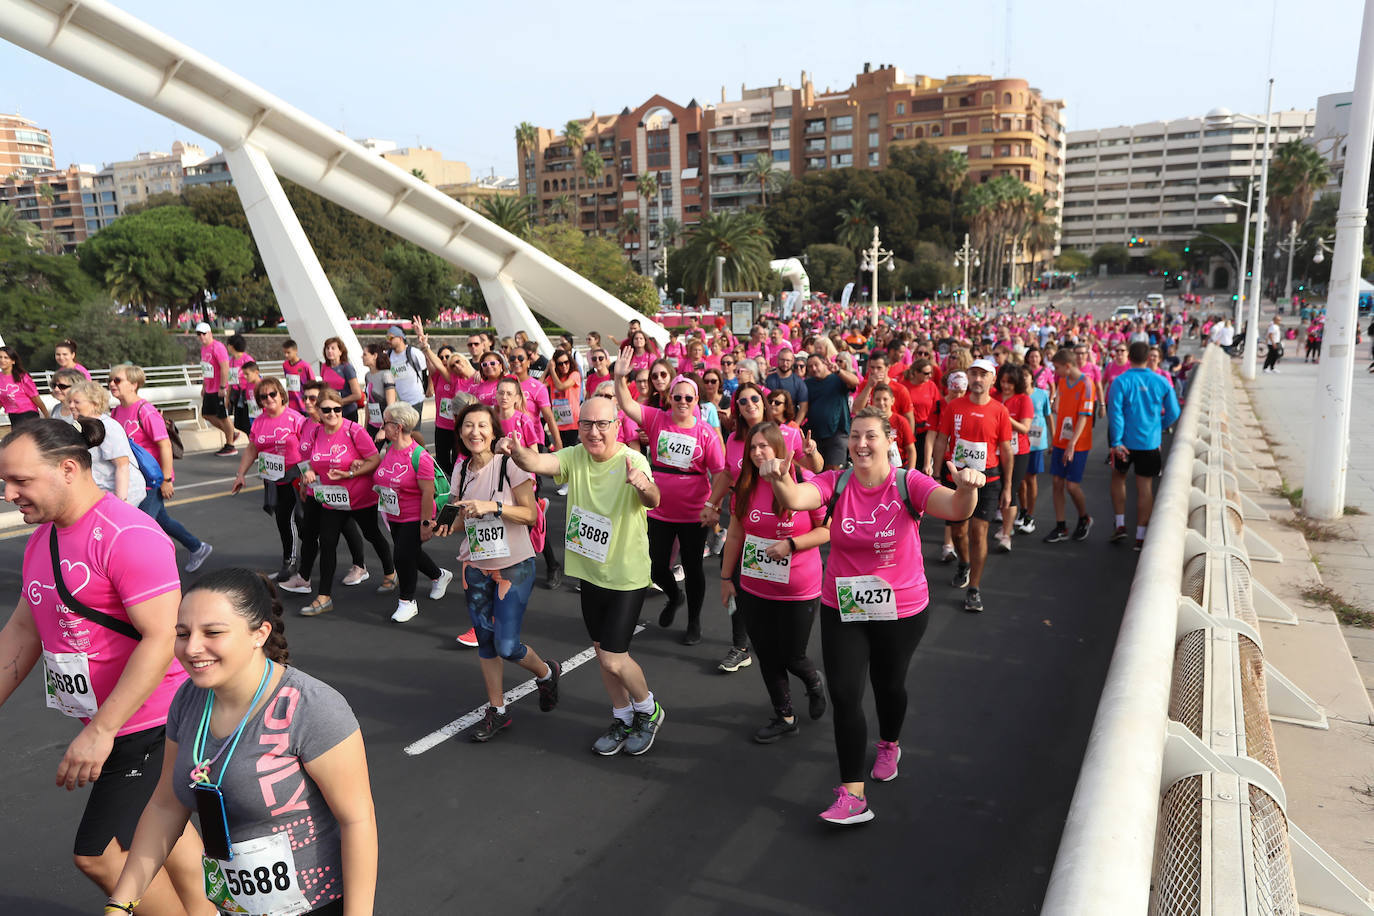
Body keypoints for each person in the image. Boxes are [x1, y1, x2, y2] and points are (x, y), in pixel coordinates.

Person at [0, 419, 211, 914]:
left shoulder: (128, 534)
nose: (9, 494)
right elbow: (23, 631)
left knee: (98, 855)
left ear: (68, 469)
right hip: (117, 722)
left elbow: (163, 637)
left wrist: (102, 730)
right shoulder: (43, 539)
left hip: (153, 721)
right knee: (162, 833)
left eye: (20, 481)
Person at [759, 407, 988, 825]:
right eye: (855, 436)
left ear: (889, 442)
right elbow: (794, 499)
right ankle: (853, 794)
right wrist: (778, 475)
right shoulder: (837, 480)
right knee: (846, 694)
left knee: (888, 686)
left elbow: (956, 509)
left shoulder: (908, 483)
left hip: (901, 608)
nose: (861, 444)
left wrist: (969, 488)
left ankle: (889, 742)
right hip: (844, 605)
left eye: (871, 436)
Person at [107, 568, 377, 915]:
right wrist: (122, 902)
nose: (192, 648)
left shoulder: (311, 707)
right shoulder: (188, 701)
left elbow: (357, 821)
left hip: (315, 905)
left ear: (259, 633)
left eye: (213, 632)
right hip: (237, 906)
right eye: (182, 633)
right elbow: (166, 806)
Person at [495, 394, 667, 757]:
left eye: (602, 424)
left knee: (613, 658)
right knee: (601, 650)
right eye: (586, 423)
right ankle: (622, 716)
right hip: (589, 572)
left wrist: (642, 483)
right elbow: (535, 460)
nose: (593, 431)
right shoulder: (574, 456)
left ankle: (648, 709)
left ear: (617, 427)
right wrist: (514, 447)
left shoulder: (632, 459)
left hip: (625, 575)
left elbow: (654, 499)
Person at [439, 402, 561, 740]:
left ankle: (545, 672)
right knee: (486, 641)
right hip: (475, 566)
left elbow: (531, 515)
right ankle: (497, 709)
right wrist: (444, 524)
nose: (474, 432)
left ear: (494, 431)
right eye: (467, 426)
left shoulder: (510, 465)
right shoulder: (461, 470)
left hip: (514, 566)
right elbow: (459, 515)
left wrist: (493, 506)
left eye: (481, 426)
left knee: (507, 645)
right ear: (460, 432)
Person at [719, 421, 829, 743]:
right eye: (752, 447)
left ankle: (813, 680)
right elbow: (736, 533)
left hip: (800, 587)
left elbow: (827, 530)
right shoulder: (746, 486)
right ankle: (785, 715)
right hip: (755, 585)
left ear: (780, 448)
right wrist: (726, 578)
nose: (756, 452)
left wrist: (792, 544)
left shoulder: (804, 481)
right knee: (766, 653)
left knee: (793, 654)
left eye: (763, 446)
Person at [614, 347, 726, 649]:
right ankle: (675, 596)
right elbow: (626, 404)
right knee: (656, 567)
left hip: (693, 515)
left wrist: (712, 505)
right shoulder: (657, 419)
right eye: (678, 397)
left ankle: (693, 621)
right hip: (659, 510)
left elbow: (721, 472)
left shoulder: (706, 433)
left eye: (689, 398)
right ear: (669, 399)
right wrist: (620, 378)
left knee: (692, 569)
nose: (683, 402)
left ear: (696, 402)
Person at [295, 389, 397, 616]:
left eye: (337, 409)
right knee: (328, 541)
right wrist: (308, 474)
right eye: (327, 410)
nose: (332, 413)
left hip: (360, 496)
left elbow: (374, 460)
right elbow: (309, 461)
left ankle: (390, 572)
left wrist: (350, 474)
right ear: (318, 412)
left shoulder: (354, 430)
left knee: (371, 534)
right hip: (332, 498)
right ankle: (323, 597)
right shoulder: (315, 434)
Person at [109, 364, 215, 573]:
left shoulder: (145, 410)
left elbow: (164, 444)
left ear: (134, 384)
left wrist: (167, 480)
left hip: (151, 480)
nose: (112, 384)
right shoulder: (116, 411)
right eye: (110, 381)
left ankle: (150, 571)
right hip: (132, 480)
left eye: (117, 380)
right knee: (161, 520)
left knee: (141, 528)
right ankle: (197, 547)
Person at [930, 359, 1013, 613]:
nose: (977, 379)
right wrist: (934, 473)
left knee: (979, 533)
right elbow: (942, 439)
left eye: (983, 375)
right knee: (958, 533)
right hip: (957, 476)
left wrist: (1008, 488)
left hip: (988, 478)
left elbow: (1007, 451)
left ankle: (974, 588)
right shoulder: (954, 406)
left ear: (992, 380)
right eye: (973, 374)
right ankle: (964, 563)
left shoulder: (1000, 411)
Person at [373, 403, 453, 622]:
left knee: (401, 556)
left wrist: (426, 524)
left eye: (385, 423)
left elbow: (428, 493)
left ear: (397, 427)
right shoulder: (389, 448)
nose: (382, 427)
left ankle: (407, 602)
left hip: (414, 516)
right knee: (411, 553)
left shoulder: (420, 457)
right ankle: (439, 575)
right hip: (393, 515)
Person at [232, 377, 311, 582]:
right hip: (273, 479)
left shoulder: (296, 419)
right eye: (263, 396)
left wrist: (308, 473)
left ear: (281, 394)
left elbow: (309, 447)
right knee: (284, 520)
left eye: (272, 394)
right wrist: (241, 473)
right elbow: (252, 449)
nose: (268, 399)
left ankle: (300, 556)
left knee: (297, 520)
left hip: (296, 476)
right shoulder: (259, 422)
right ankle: (292, 560)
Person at [1107, 341, 1182, 550]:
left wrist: (1116, 442)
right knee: (1145, 487)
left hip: (1124, 443)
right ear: (1149, 357)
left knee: (1118, 478)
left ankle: (1120, 524)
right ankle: (1141, 536)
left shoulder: (1120, 381)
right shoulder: (1161, 381)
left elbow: (1115, 414)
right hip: (1149, 443)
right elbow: (1174, 412)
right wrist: (1159, 427)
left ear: (1129, 357)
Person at [1044, 347, 1096, 544]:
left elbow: (1084, 417)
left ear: (1067, 366)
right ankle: (1061, 526)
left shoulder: (1087, 384)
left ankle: (1084, 517)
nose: (1055, 372)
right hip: (1060, 441)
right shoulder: (1063, 382)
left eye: (1057, 368)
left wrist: (1072, 444)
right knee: (1057, 483)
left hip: (1078, 443)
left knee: (1072, 486)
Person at [66, 380, 146, 508]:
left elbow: (122, 467)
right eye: (69, 401)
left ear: (94, 403)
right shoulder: (80, 425)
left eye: (76, 402)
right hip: (100, 494)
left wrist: (121, 503)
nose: (71, 405)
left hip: (122, 493)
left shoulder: (108, 427)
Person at [994, 363, 1033, 551]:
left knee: (1011, 490)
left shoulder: (1024, 400)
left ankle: (1006, 534)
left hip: (1018, 451)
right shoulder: (994, 397)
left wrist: (1004, 416)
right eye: (1003, 381)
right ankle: (1004, 525)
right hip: (995, 450)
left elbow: (1025, 428)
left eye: (1010, 382)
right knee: (999, 488)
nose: (1006, 386)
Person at [803, 353, 862, 470]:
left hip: (837, 434)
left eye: (816, 365)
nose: (813, 369)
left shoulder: (837, 379)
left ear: (824, 364)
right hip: (816, 434)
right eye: (810, 366)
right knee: (817, 471)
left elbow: (855, 382)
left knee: (834, 471)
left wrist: (838, 371)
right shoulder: (807, 384)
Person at [194, 323, 238, 457]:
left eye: (204, 333)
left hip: (218, 388)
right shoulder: (204, 349)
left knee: (223, 416)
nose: (201, 337)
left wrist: (223, 386)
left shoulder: (217, 347)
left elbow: (225, 367)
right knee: (206, 414)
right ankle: (231, 433)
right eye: (199, 334)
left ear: (210, 333)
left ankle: (230, 445)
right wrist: (203, 387)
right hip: (209, 388)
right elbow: (206, 369)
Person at [319, 336, 364, 424]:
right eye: (327, 348)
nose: (329, 351)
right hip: (330, 413)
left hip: (348, 412)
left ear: (340, 351)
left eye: (333, 348)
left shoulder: (347, 368)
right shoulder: (324, 367)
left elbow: (357, 394)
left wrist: (338, 402)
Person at [0, 345, 49, 425]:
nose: (2, 360)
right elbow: (2, 400)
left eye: (6, 358)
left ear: (13, 361)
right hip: (13, 415)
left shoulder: (22, 377)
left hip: (27, 414)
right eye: (0, 357)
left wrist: (46, 415)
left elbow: (36, 398)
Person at [385, 326, 428, 413]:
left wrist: (429, 388)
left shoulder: (413, 353)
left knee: (414, 427)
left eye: (390, 338)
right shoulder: (388, 355)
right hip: (398, 403)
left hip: (415, 400)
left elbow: (427, 370)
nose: (387, 341)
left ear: (400, 338)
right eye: (387, 338)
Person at [764, 347, 809, 426]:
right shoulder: (768, 379)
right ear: (777, 360)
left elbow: (803, 407)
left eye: (788, 360)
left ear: (793, 361)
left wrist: (795, 426)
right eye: (782, 360)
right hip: (769, 423)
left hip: (789, 423)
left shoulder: (799, 382)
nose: (785, 363)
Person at [361, 343, 396, 441]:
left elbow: (391, 405)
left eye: (365, 354)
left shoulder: (386, 375)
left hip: (388, 424)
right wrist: (365, 426)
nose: (362, 357)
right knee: (369, 454)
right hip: (373, 423)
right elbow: (368, 402)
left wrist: (384, 428)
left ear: (374, 356)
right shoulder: (367, 376)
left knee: (395, 452)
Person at [280, 338, 315, 414]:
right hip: (292, 404)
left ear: (295, 351)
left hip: (304, 403)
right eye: (284, 352)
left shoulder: (305, 366)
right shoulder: (285, 365)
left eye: (288, 352)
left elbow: (313, 384)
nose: (286, 355)